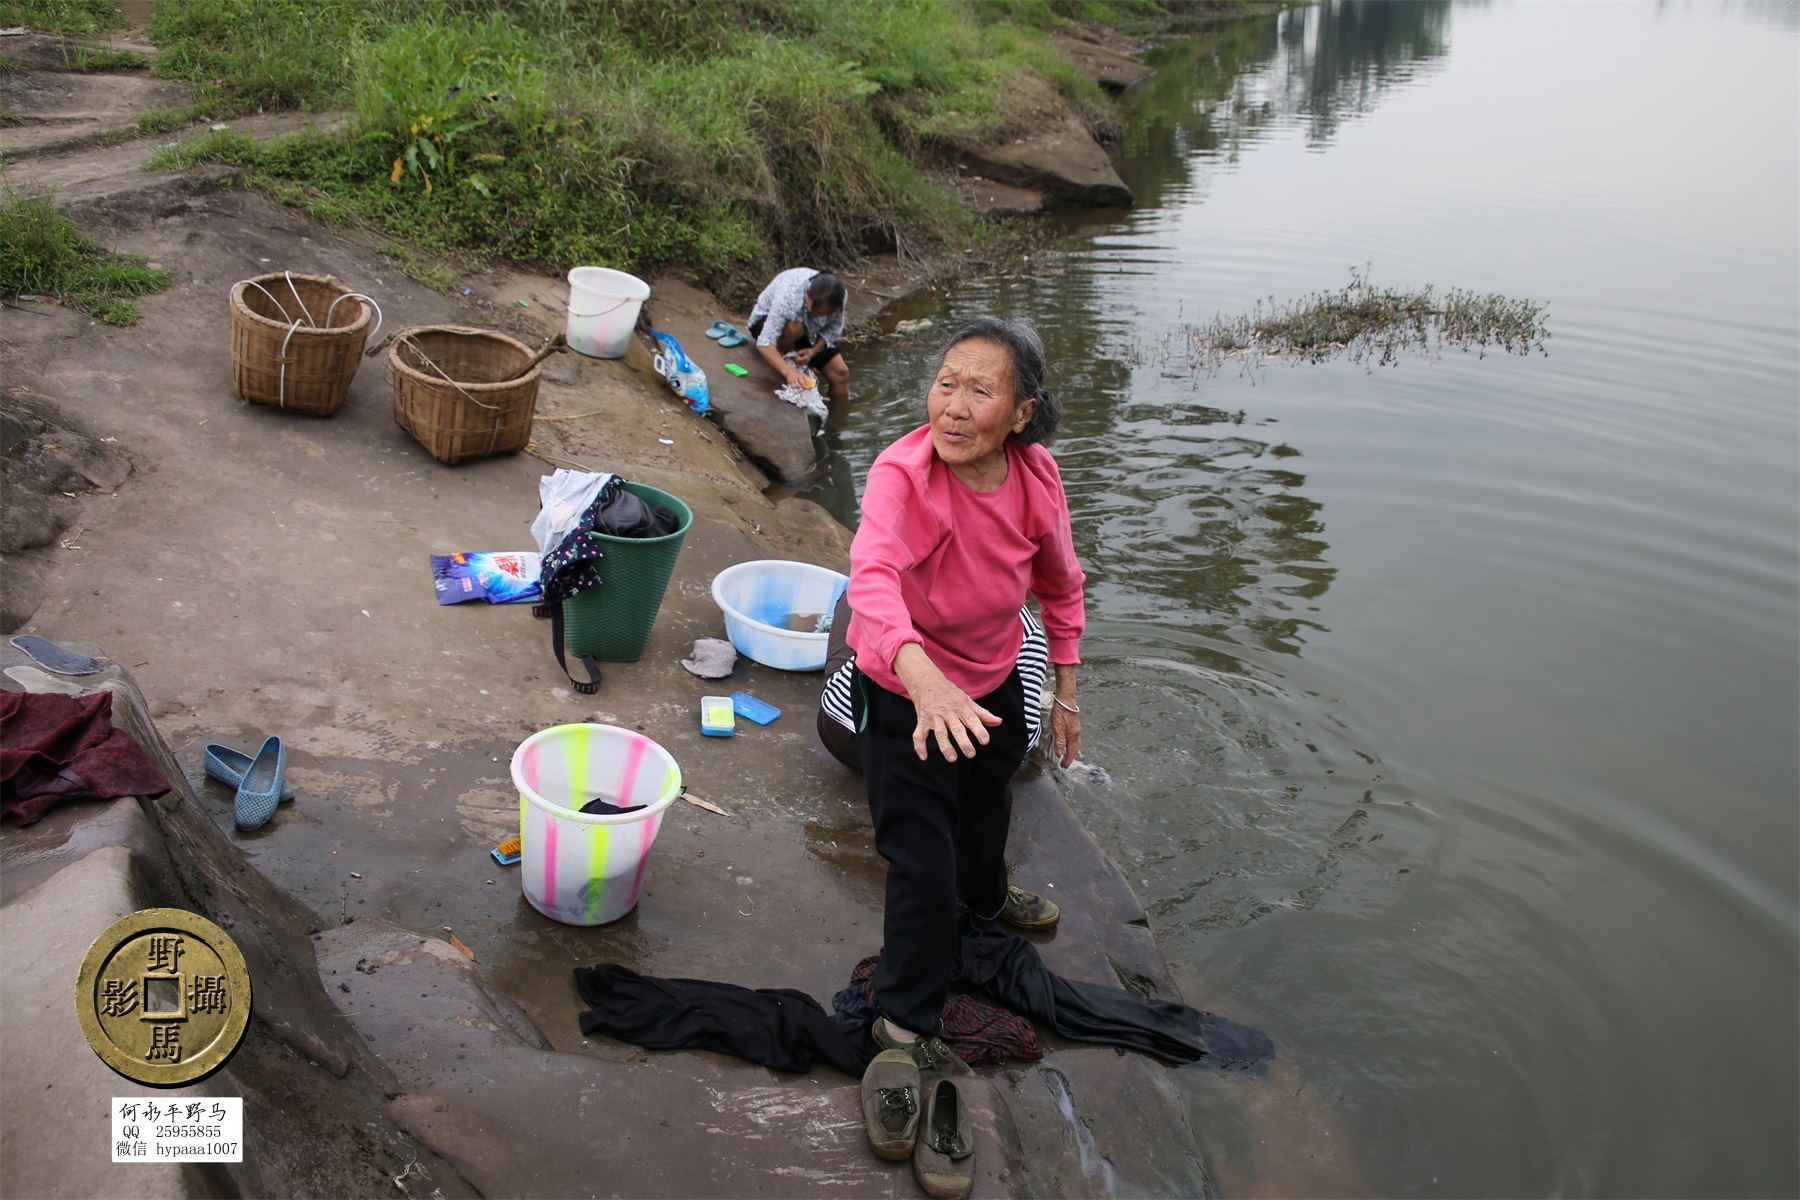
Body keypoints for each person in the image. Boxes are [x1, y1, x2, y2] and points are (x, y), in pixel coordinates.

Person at [846, 316, 1086, 1165]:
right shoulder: (901, 476)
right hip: (902, 687)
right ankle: (902, 1026)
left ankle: (986, 903)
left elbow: (1059, 579)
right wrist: (922, 679)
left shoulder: (1037, 477)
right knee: (921, 860)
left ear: (1020, 415)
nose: (951, 406)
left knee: (987, 811)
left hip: (987, 683)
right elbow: (871, 578)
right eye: (945, 382)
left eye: (980, 390)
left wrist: (1064, 685)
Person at [747, 268, 850, 404]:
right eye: (817, 312)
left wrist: (813, 352)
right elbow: (765, 342)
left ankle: (839, 420)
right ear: (808, 293)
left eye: (825, 315)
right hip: (769, 322)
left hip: (811, 332)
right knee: (795, 327)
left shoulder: (840, 297)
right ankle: (784, 357)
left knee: (841, 373)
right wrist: (789, 371)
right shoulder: (789, 295)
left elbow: (832, 330)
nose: (821, 316)